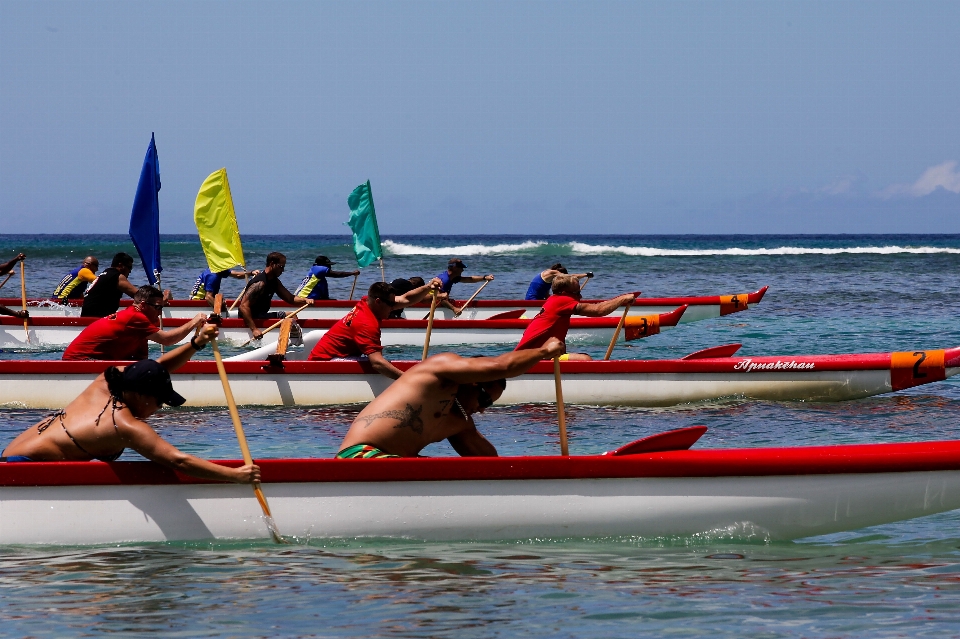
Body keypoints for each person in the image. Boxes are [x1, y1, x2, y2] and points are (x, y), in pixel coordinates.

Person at [2, 324, 260, 484]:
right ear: (140, 395)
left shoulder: (107, 379)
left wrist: (196, 343)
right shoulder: (124, 424)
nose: (159, 408)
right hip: (20, 470)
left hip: (10, 457)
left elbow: (154, 368)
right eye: (159, 401)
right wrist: (236, 476)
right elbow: (178, 461)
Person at [336, 337, 564, 458]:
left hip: (394, 464)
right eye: (484, 400)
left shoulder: (458, 423)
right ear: (473, 381)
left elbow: (489, 464)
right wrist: (544, 352)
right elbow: (501, 365)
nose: (482, 409)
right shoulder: (440, 368)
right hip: (359, 457)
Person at [308, 279, 441, 379]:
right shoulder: (366, 324)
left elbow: (406, 299)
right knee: (377, 362)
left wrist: (428, 286)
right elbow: (377, 363)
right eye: (390, 304)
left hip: (330, 356)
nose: (394, 307)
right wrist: (407, 379)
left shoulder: (367, 302)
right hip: (325, 363)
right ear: (378, 301)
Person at [64, 286, 208, 361]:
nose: (160, 312)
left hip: (91, 360)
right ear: (144, 305)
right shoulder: (134, 317)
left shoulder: (138, 325)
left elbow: (140, 359)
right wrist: (194, 322)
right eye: (158, 307)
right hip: (79, 362)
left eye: (162, 308)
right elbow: (167, 340)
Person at [514, 275, 637, 361]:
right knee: (584, 359)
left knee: (579, 355)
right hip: (530, 359)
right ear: (564, 292)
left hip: (530, 355)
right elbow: (598, 310)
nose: (580, 295)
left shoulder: (554, 299)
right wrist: (622, 299)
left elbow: (597, 307)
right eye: (577, 292)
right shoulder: (561, 301)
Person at [238, 252, 309, 341]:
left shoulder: (274, 281)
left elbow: (290, 298)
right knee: (290, 315)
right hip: (252, 318)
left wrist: (305, 300)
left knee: (291, 315)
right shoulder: (260, 283)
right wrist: (254, 329)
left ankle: (293, 342)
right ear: (272, 264)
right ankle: (287, 342)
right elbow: (243, 307)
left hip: (262, 315)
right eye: (281, 267)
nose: (282, 270)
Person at [81, 252, 139, 318]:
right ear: (120, 266)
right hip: (96, 319)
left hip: (86, 316)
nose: (130, 271)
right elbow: (139, 295)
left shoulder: (105, 274)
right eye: (129, 268)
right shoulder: (116, 276)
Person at [294, 256, 360, 301]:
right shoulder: (317, 268)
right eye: (328, 265)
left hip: (308, 299)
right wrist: (352, 273)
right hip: (302, 298)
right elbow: (337, 274)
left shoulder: (320, 280)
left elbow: (324, 298)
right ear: (321, 265)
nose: (330, 266)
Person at [525, 263, 592, 301]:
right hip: (532, 301)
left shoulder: (548, 281)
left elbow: (547, 296)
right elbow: (570, 277)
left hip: (537, 300)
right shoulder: (551, 272)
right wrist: (586, 274)